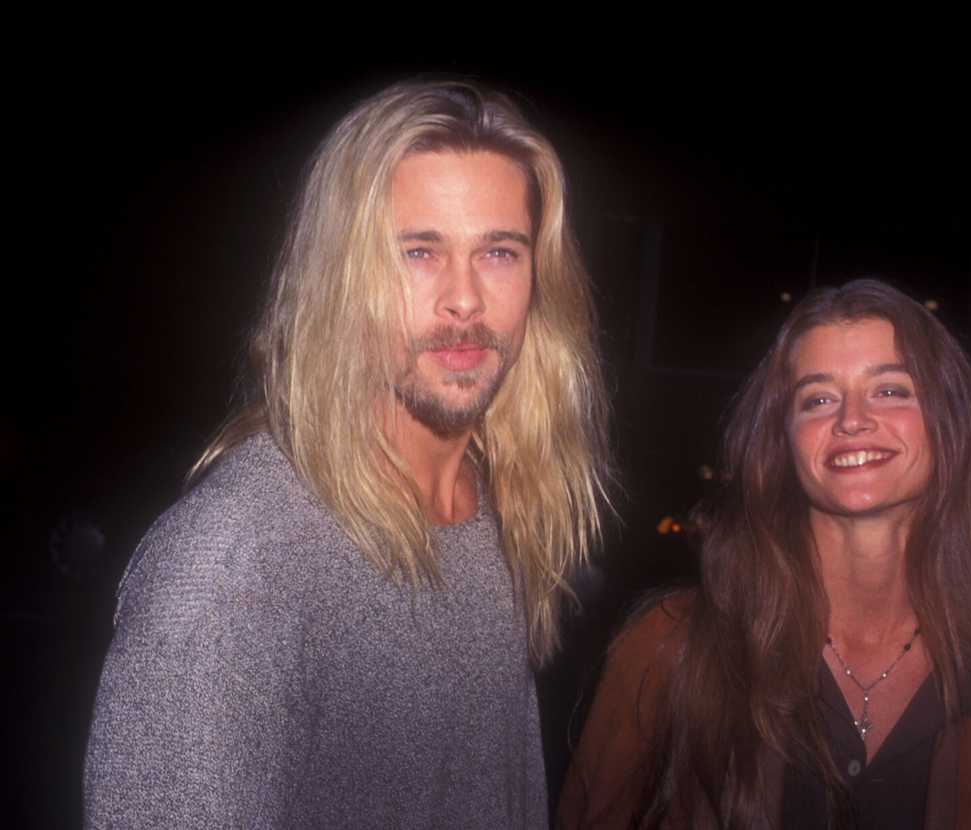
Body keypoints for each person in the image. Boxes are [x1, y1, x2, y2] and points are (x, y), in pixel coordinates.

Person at [84, 79, 610, 829]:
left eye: (498, 251)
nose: (464, 299)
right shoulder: (234, 562)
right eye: (418, 251)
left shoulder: (493, 513)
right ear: (340, 278)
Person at [559, 279, 971, 829]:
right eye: (818, 399)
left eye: (891, 390)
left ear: (950, 423)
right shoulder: (666, 653)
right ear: (783, 438)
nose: (851, 420)